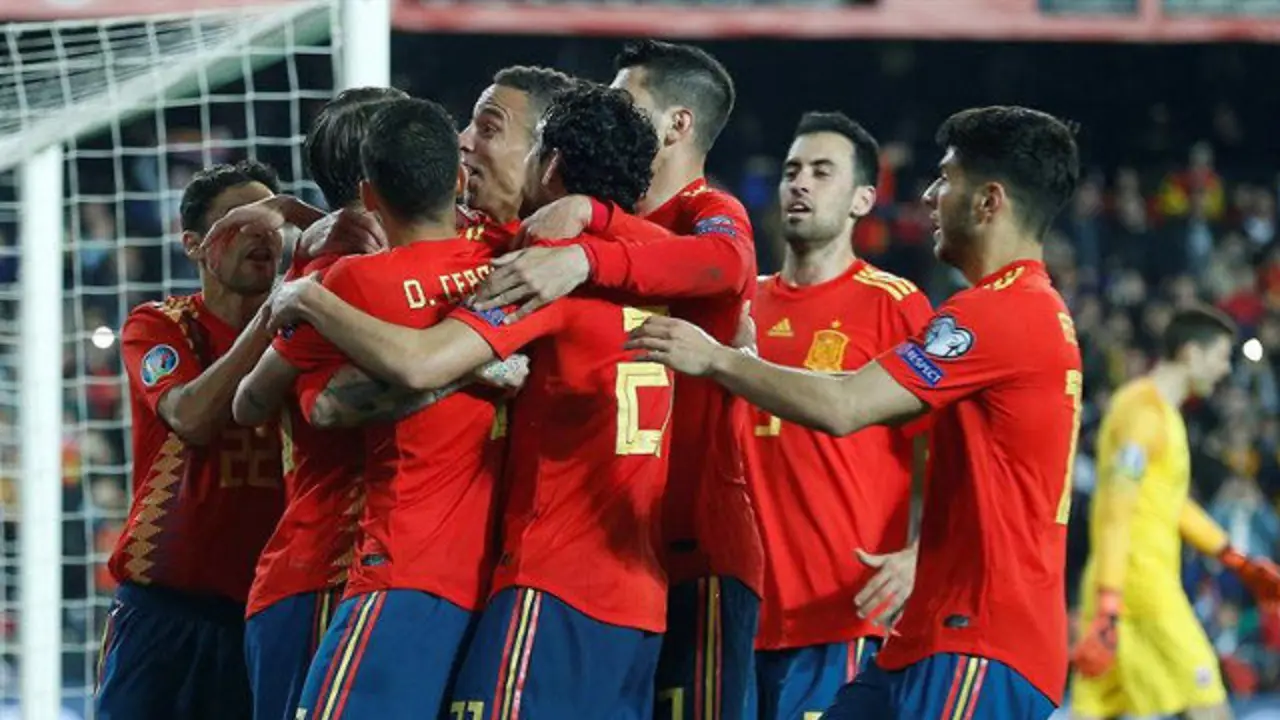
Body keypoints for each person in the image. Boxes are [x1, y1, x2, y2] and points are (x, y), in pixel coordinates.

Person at [627, 106, 1083, 720]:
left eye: (946, 178)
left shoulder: (998, 312)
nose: (929, 195)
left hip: (977, 637)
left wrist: (717, 360)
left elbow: (846, 406)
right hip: (924, 639)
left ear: (988, 201)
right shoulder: (1022, 309)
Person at [266, 83, 672, 719]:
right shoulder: (652, 260)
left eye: (492, 128)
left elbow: (379, 378)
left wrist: (306, 293)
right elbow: (728, 261)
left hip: (487, 575)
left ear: (548, 165)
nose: (467, 143)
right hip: (623, 593)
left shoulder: (533, 272)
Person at [472, 40, 761, 720]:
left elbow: (728, 264)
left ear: (678, 124)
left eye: (626, 98)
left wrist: (589, 242)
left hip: (695, 549)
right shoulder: (609, 228)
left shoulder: (705, 213)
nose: (612, 110)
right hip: (620, 558)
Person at [273, 97, 508, 720]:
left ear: (368, 194)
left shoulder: (345, 281)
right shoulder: (510, 260)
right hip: (494, 578)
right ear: (457, 179)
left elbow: (301, 405)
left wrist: (301, 284)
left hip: (383, 565)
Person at [745, 111, 933, 720]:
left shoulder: (895, 307)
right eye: (792, 171)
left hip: (844, 617)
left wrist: (922, 553)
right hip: (738, 616)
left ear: (862, 200)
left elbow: (950, 449)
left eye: (822, 172)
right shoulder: (740, 304)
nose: (800, 183)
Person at [228, 86, 406, 720]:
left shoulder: (389, 263)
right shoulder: (332, 278)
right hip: (329, 572)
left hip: (394, 574)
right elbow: (264, 402)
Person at [96, 160, 287, 720]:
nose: (261, 234)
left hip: (266, 614)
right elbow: (192, 417)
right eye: (240, 221)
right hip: (163, 612)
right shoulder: (160, 325)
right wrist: (272, 319)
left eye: (272, 221)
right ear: (194, 246)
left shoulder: (311, 329)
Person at [1070, 306, 1280, 720]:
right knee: (1210, 707)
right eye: (1220, 356)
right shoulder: (1144, 413)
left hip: (1122, 586)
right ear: (1190, 353)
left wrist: (1233, 558)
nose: (1225, 369)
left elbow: (1169, 502)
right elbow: (1116, 506)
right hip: (1141, 588)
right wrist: (1111, 598)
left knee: (1094, 714)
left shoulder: (1162, 414)